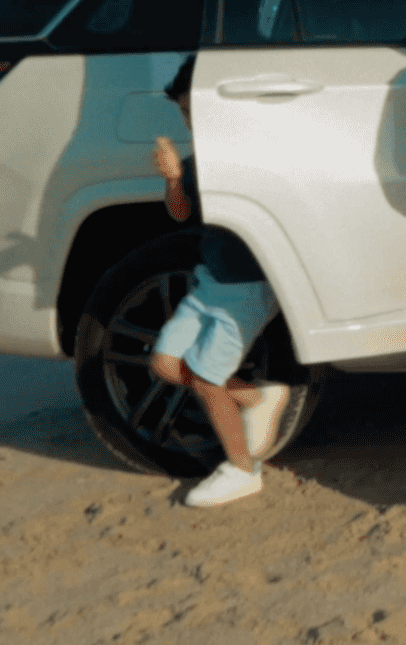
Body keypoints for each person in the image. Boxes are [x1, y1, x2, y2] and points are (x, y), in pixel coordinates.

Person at [146, 57, 292, 508]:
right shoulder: (197, 161)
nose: (192, 120)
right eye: (184, 112)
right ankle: (253, 397)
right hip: (209, 283)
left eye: (198, 109)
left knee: (207, 380)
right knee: (165, 364)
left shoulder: (250, 153)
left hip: (247, 288)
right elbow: (181, 214)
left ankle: (242, 469)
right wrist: (173, 178)